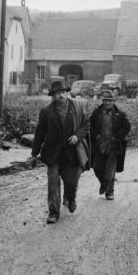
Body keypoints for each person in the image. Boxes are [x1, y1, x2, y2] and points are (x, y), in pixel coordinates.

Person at [30, 81, 90, 224]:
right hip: (53, 153)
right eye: (57, 93)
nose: (61, 95)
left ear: (67, 93)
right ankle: (53, 212)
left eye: (63, 92)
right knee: (52, 182)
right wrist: (34, 153)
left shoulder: (77, 106)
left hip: (72, 152)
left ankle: (70, 197)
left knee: (72, 181)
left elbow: (86, 124)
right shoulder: (46, 111)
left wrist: (77, 136)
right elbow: (40, 133)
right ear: (53, 96)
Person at [89, 90, 131, 200]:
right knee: (97, 167)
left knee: (110, 171)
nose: (107, 103)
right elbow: (89, 126)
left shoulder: (119, 114)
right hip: (99, 145)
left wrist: (116, 137)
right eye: (105, 100)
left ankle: (110, 192)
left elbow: (126, 127)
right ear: (102, 101)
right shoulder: (96, 113)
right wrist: (96, 136)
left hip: (113, 146)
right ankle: (104, 184)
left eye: (110, 100)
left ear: (113, 101)